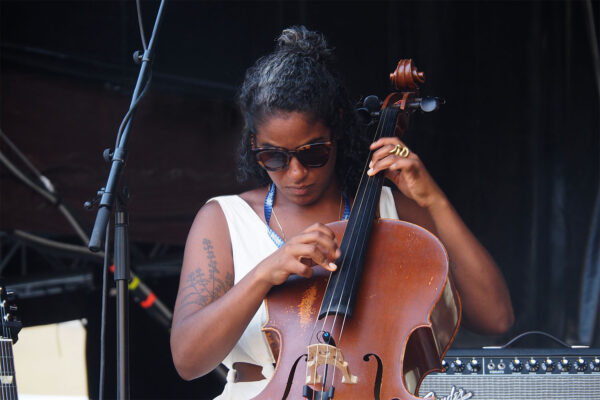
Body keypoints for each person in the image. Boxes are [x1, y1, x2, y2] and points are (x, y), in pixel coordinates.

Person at [170, 26, 514, 399]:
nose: (296, 173)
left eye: (313, 152)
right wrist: (265, 273)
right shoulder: (225, 219)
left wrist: (433, 200)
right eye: (274, 157)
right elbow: (188, 361)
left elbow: (495, 317)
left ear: (336, 127)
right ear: (254, 144)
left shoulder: (393, 213)